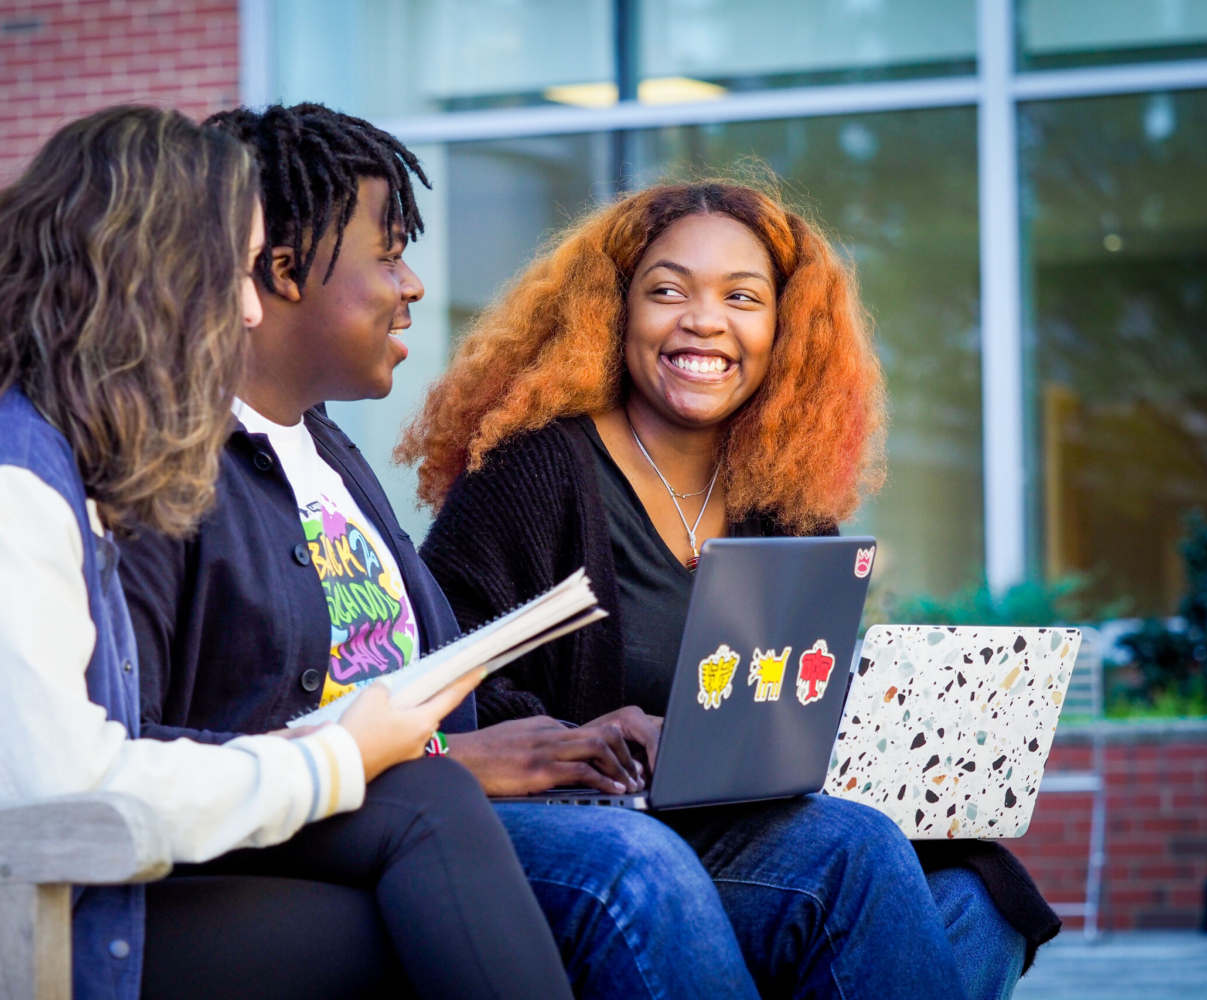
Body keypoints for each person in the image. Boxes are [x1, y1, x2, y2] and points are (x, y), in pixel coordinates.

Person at [0, 105, 574, 1000]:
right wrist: (334, 756)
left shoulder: (52, 456)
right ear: (152, 278)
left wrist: (351, 745)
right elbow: (67, 794)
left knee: (434, 816)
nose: (251, 307)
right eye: (235, 273)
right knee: (412, 930)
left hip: (30, 887)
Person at [120, 102, 765, 1000]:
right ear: (280, 269)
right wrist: (447, 766)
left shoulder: (330, 453)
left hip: (440, 815)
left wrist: (552, 743)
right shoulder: (159, 471)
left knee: (866, 860)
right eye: (387, 254)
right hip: (325, 839)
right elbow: (141, 753)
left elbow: (428, 689)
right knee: (633, 870)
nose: (413, 283)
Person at [402, 180, 1061, 1000]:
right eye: (667, 290)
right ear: (613, 313)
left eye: (741, 298)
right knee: (850, 854)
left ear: (783, 329)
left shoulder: (783, 497)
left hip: (747, 831)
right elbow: (435, 688)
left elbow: (792, 697)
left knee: (976, 899)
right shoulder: (535, 469)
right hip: (598, 831)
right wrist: (590, 736)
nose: (704, 320)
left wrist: (893, 739)